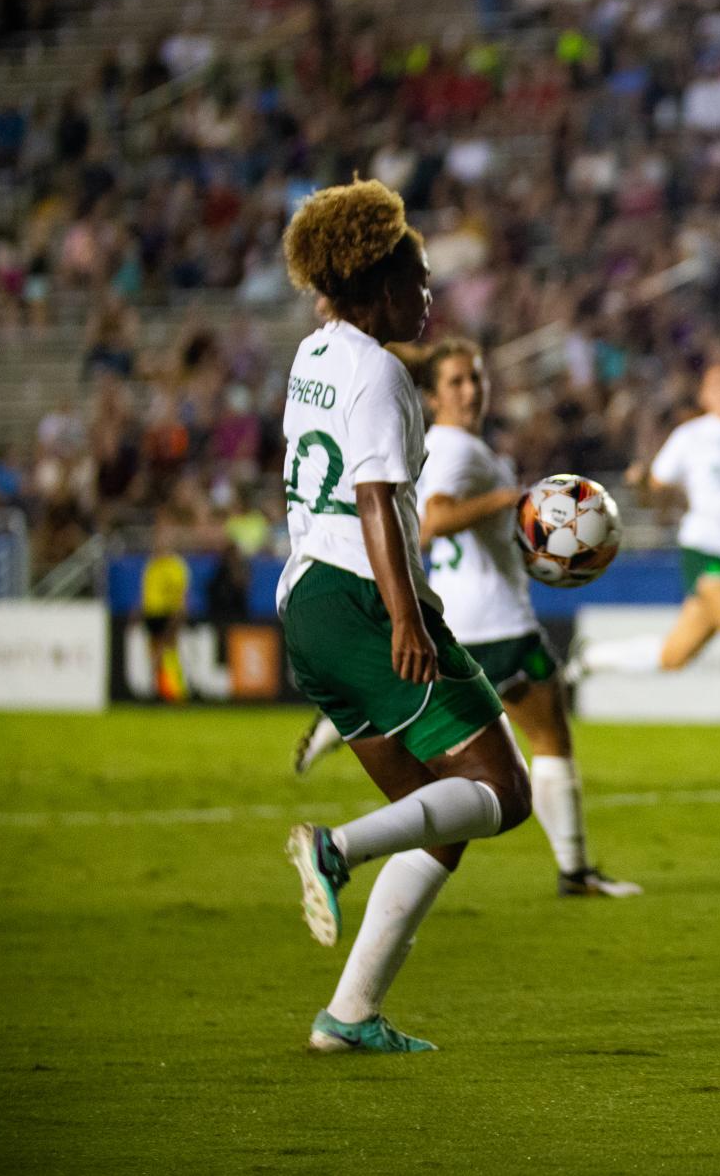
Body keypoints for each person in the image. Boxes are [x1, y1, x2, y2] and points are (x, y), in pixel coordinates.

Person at [276, 179, 532, 1053]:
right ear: (377, 283)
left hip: (304, 602)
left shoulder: (316, 353)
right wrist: (405, 618)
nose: (428, 297)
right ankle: (335, 848)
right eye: (417, 278)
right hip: (360, 593)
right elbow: (377, 498)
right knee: (503, 791)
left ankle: (347, 1017)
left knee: (437, 815)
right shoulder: (381, 372)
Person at [295, 338, 639, 898]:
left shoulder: (454, 446)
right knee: (547, 739)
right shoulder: (456, 449)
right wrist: (506, 501)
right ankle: (575, 870)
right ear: (432, 397)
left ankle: (346, 722)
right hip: (496, 622)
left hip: (464, 614)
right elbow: (436, 520)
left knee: (495, 753)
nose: (471, 390)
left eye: (476, 378)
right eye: (455, 381)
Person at [564, 364, 720, 763]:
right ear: (704, 396)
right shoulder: (690, 437)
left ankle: (590, 658)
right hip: (703, 550)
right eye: (718, 385)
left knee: (673, 656)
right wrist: (641, 482)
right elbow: (654, 492)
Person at [139, 519, 191, 702]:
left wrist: (178, 617)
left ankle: (177, 692)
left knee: (169, 652)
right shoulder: (152, 564)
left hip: (168, 614)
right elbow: (146, 592)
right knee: (155, 656)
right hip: (152, 614)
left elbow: (182, 595)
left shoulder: (176, 566)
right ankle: (162, 691)